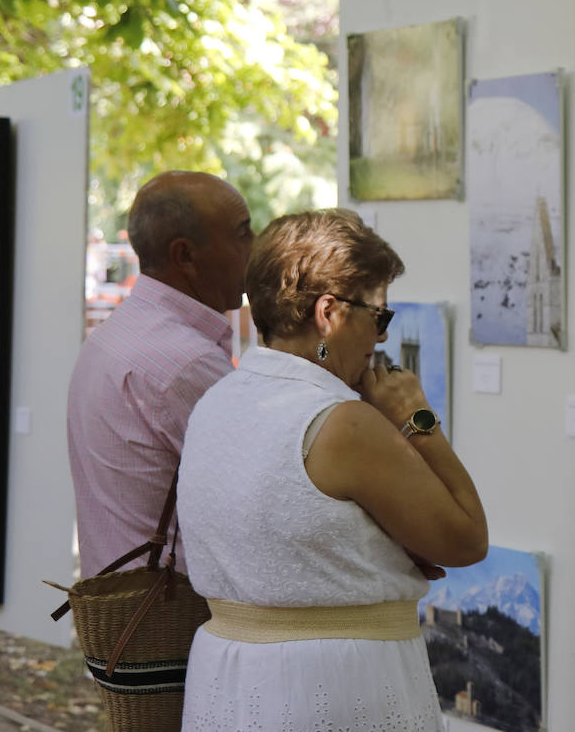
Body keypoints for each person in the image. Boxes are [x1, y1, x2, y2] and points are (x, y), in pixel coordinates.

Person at [177, 208, 488, 730]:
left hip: (227, 679)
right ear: (330, 314)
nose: (382, 339)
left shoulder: (219, 400)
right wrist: (418, 418)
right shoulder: (342, 424)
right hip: (335, 685)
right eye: (379, 316)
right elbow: (466, 540)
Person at [67, 170, 253, 576]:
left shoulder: (116, 334)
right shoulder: (184, 362)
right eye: (243, 234)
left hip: (125, 615)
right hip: (171, 624)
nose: (255, 250)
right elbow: (266, 499)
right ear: (185, 256)